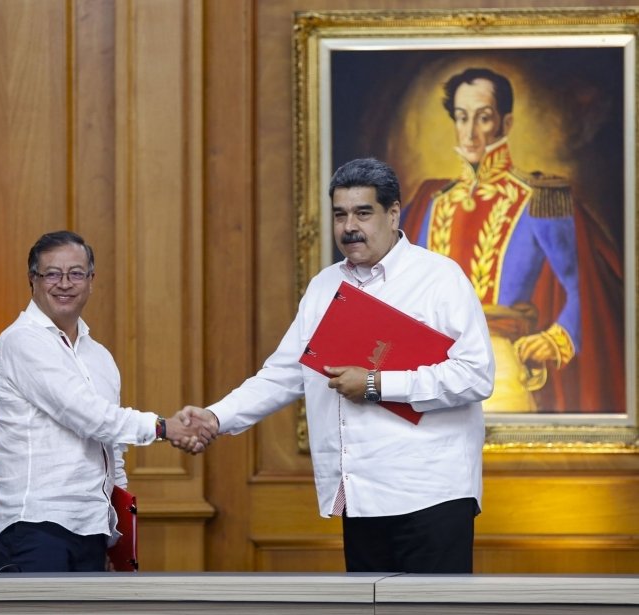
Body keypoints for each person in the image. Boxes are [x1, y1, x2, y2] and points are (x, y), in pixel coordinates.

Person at [184, 158, 495, 573]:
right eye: (340, 215)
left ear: (393, 214)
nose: (350, 227)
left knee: (432, 607)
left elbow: (475, 375)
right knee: (369, 606)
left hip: (431, 494)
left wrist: (376, 383)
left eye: (363, 213)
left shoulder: (439, 278)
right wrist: (215, 417)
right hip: (359, 496)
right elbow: (283, 375)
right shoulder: (325, 286)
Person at [0, 230, 213, 572]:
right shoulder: (20, 342)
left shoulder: (100, 357)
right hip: (35, 527)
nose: (65, 284)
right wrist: (164, 428)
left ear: (91, 281)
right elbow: (85, 415)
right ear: (33, 280)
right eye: (52, 274)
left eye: (76, 273)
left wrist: (115, 534)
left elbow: (112, 450)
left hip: (92, 528)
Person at [402, 67, 586, 412]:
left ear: (506, 123)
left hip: (498, 362)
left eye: (483, 118)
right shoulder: (433, 201)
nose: (470, 132)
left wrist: (556, 338)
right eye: (462, 117)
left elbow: (582, 289)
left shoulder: (539, 199)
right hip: (428, 364)